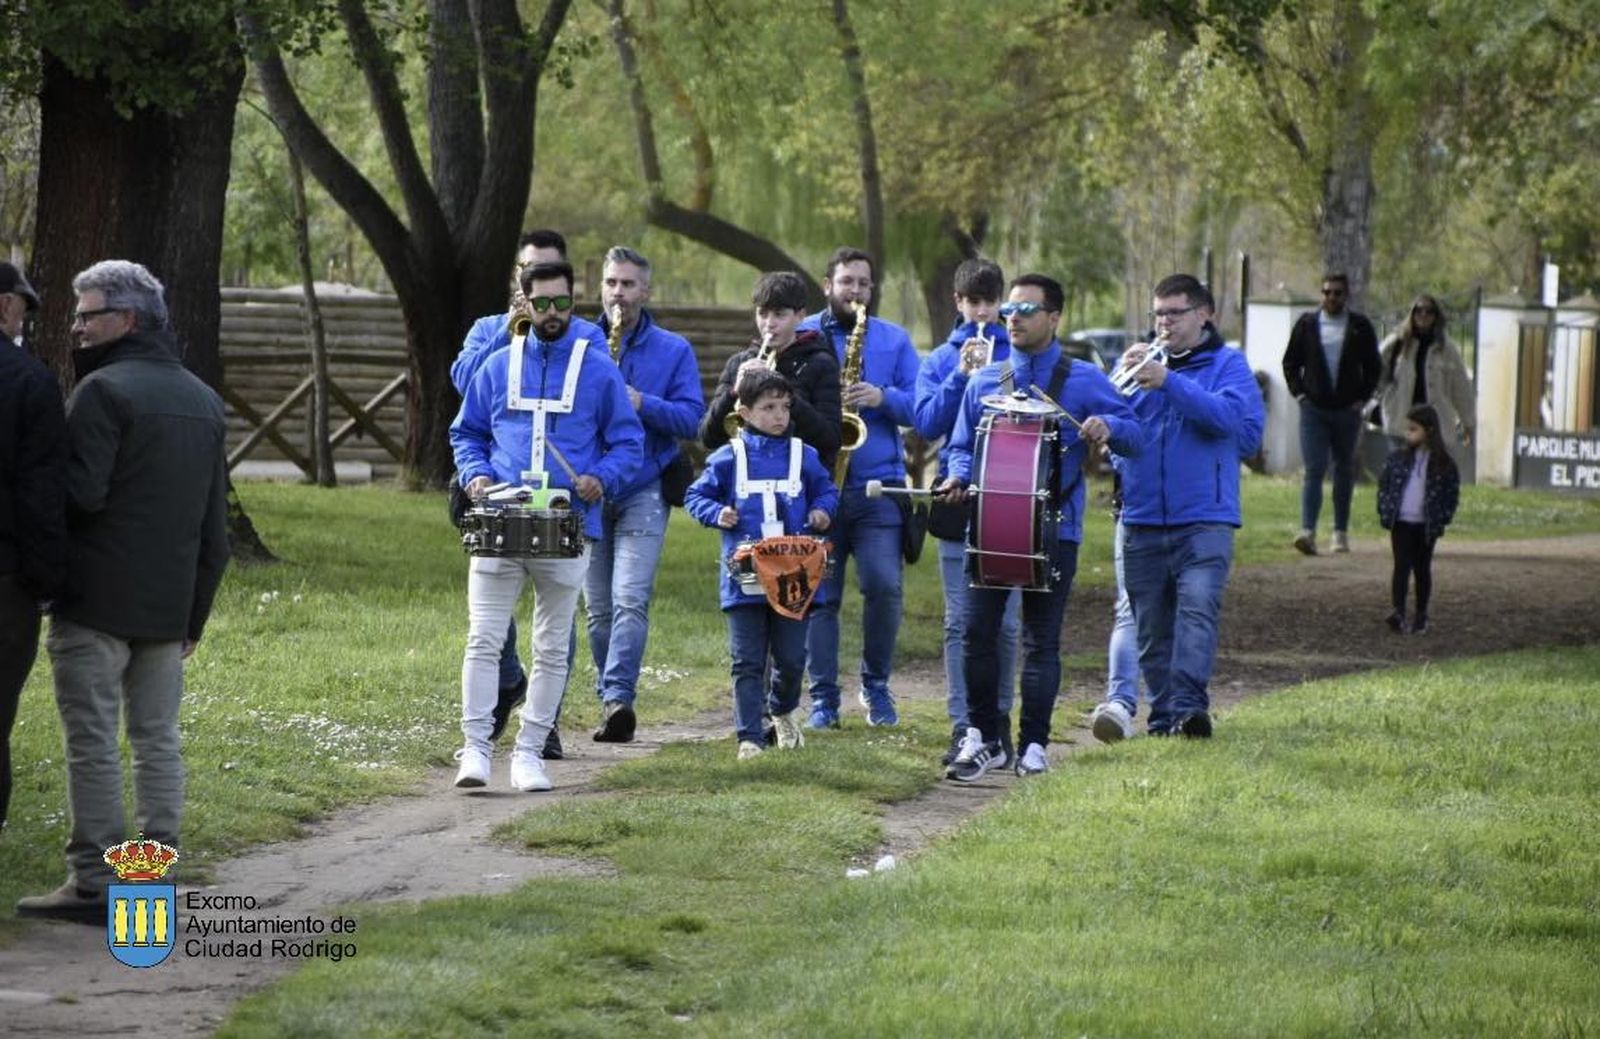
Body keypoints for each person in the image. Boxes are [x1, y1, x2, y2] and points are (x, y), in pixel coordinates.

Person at [17, 261, 229, 921]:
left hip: (96, 602)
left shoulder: (103, 392)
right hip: (168, 608)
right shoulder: (204, 399)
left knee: (93, 739)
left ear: (128, 319)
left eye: (88, 314)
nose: (76, 326)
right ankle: (153, 871)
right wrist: (193, 612)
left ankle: (94, 883)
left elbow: (81, 494)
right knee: (157, 737)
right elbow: (214, 529)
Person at [938, 273, 1142, 781]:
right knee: (976, 633)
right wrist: (959, 476)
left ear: (1054, 318)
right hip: (987, 530)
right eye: (1009, 309)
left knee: (1041, 641)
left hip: (1057, 530)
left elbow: (1137, 435)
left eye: (1026, 310)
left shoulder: (1086, 380)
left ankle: (1034, 745)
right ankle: (985, 739)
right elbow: (959, 446)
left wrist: (1110, 428)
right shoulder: (986, 378)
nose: (1013, 318)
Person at [449, 260, 643, 793]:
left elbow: (628, 441)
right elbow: (466, 432)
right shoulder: (498, 363)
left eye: (562, 303)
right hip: (500, 521)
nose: (552, 313)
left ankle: (530, 752)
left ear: (573, 302)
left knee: (553, 645)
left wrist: (601, 478)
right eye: (542, 303)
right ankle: (475, 749)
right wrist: (476, 475)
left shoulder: (599, 367)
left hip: (568, 524)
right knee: (484, 638)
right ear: (524, 303)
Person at [451, 229, 602, 759]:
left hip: (560, 509)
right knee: (489, 628)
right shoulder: (488, 331)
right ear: (519, 280)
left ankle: (545, 726)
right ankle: (503, 694)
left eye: (552, 282)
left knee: (553, 629)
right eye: (529, 279)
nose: (544, 301)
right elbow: (463, 386)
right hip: (497, 497)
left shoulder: (587, 340)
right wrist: (512, 333)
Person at [1111, 274, 1264, 739]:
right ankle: (1163, 717)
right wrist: (1114, 393)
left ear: (1205, 314)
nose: (1164, 323)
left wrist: (1171, 385)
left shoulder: (1228, 366)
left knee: (1197, 611)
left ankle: (1190, 709)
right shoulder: (1141, 367)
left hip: (1204, 517)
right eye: (1158, 314)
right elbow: (1118, 439)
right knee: (1153, 627)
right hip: (1141, 516)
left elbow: (1242, 432)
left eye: (1175, 313)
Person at [685, 371, 838, 759]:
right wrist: (716, 512)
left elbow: (826, 490)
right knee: (746, 660)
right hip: (745, 579)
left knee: (791, 658)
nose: (779, 416)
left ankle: (783, 709)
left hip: (794, 575)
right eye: (768, 408)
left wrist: (822, 510)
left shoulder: (805, 455)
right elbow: (695, 495)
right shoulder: (727, 457)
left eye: (784, 407)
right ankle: (749, 737)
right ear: (745, 412)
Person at [584, 247, 704, 742]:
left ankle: (618, 699)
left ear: (646, 291)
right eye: (612, 283)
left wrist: (641, 402)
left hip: (644, 487)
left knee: (630, 598)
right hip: (590, 488)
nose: (619, 294)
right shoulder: (582, 342)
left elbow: (693, 419)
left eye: (629, 285)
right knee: (598, 610)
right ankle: (610, 694)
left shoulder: (674, 350)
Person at [799, 248, 920, 729]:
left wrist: (882, 397)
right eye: (846, 282)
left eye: (863, 284)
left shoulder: (895, 339)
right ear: (827, 284)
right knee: (820, 598)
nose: (855, 291)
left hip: (879, 488)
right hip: (819, 488)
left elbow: (921, 409)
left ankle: (876, 686)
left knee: (885, 587)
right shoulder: (804, 333)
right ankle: (824, 700)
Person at [913, 258, 1021, 765]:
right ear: (958, 304)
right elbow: (928, 423)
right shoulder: (939, 358)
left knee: (1006, 624)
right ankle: (965, 725)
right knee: (960, 622)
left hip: (1010, 501)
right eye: (972, 302)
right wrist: (961, 377)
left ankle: (999, 718)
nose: (981, 311)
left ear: (1000, 303)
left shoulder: (1018, 353)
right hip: (958, 497)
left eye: (989, 302)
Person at [0, 262, 67, 837]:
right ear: (4, 307)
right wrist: (47, 583)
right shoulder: (30, 382)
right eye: (23, 308)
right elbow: (40, 494)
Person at [701, 271, 842, 469]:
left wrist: (784, 392)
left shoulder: (821, 363)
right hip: (746, 477)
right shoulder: (738, 363)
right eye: (763, 314)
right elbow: (708, 437)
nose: (769, 324)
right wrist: (733, 392)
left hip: (799, 478)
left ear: (800, 316)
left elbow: (831, 440)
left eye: (779, 314)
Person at [1282, 273, 1381, 555]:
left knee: (1343, 469)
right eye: (1326, 292)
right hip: (1314, 409)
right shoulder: (1307, 325)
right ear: (1321, 294)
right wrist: (1300, 394)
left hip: (1347, 411)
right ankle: (1308, 531)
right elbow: (1290, 362)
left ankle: (1340, 532)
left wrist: (1361, 399)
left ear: (1346, 295)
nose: (1331, 298)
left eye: (1337, 293)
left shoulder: (1359, 326)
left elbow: (1373, 367)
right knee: (1314, 469)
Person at [1376, 404, 1460, 635]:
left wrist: (1442, 517)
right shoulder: (1397, 459)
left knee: (1422, 568)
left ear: (1429, 431)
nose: (1408, 434)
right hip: (1401, 521)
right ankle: (1398, 611)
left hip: (1426, 525)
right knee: (1401, 566)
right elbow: (1385, 485)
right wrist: (1385, 510)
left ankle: (1421, 614)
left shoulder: (1443, 465)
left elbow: (1451, 495)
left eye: (1414, 429)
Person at [1374, 295, 1475, 456]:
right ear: (1412, 314)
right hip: (1401, 422)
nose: (1423, 315)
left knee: (1431, 476)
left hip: (1436, 425)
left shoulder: (1447, 349)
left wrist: (1468, 422)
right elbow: (1374, 371)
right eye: (1419, 310)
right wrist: (1387, 395)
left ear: (1436, 317)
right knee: (1402, 475)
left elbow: (1461, 388)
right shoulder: (1396, 342)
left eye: (1429, 312)